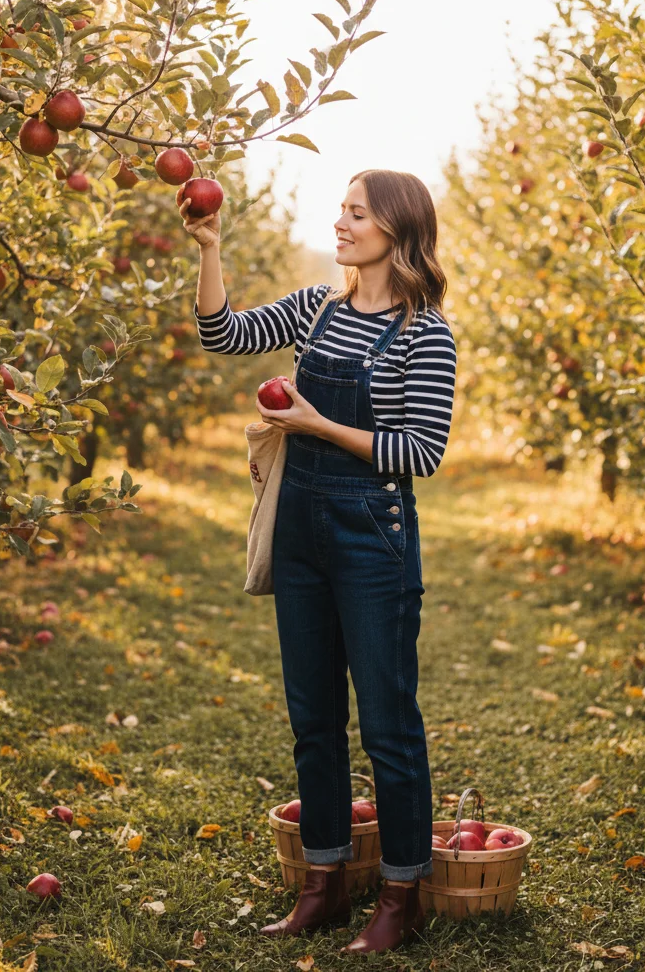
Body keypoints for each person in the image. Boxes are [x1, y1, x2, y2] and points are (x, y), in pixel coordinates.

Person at [177, 169, 457, 956]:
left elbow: (420, 453)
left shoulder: (424, 334)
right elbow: (221, 333)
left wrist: (314, 421)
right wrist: (210, 247)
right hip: (301, 526)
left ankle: (401, 894)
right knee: (313, 719)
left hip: (374, 533)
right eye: (340, 209)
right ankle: (324, 881)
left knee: (389, 725)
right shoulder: (317, 309)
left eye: (356, 213)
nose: (340, 222)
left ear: (396, 232)